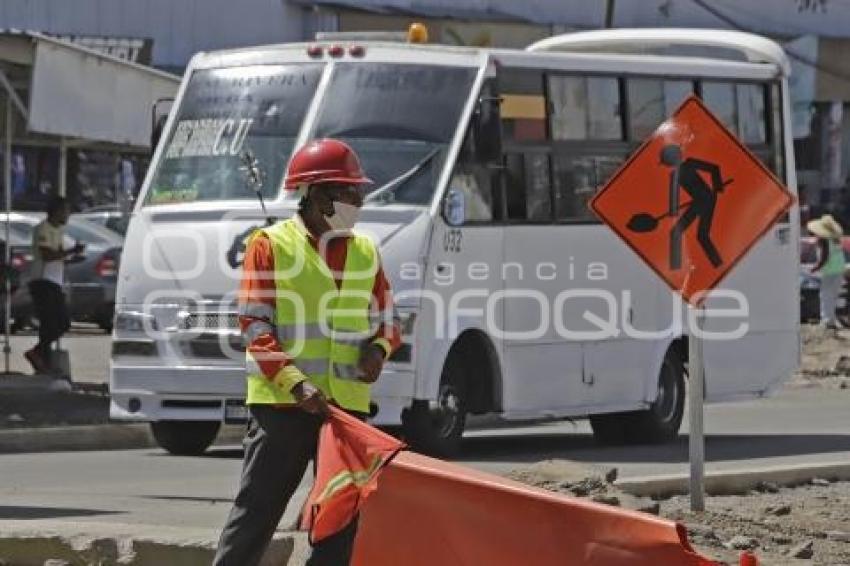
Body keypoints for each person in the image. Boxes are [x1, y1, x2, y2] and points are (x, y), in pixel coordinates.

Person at [213, 138, 401, 566]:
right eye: (351, 192)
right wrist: (295, 384)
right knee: (257, 514)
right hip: (282, 406)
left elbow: (390, 321)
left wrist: (377, 350)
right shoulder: (270, 245)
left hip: (346, 411)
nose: (360, 201)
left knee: (342, 520)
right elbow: (255, 325)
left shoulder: (365, 251)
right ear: (318, 195)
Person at [23, 196, 85, 373]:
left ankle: (39, 354)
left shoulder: (58, 230)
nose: (68, 214)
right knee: (50, 323)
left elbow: (57, 257)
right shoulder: (43, 228)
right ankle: (40, 356)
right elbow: (47, 256)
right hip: (43, 282)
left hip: (55, 281)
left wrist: (72, 258)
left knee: (62, 323)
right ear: (56, 211)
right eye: (66, 210)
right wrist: (71, 250)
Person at [807, 213, 846, 329]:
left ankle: (827, 321)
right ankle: (832, 319)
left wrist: (815, 268)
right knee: (833, 296)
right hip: (839, 269)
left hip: (829, 271)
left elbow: (824, 257)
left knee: (825, 295)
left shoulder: (823, 241)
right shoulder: (836, 239)